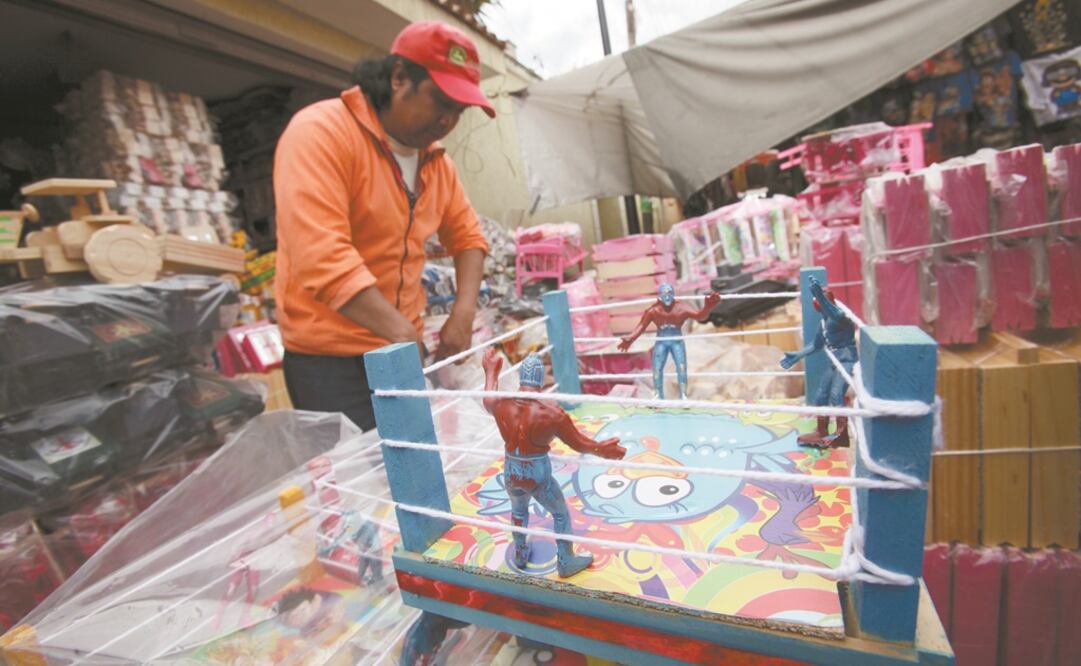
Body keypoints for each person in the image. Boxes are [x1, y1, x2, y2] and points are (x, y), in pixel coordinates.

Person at [274, 21, 494, 431]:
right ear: (398, 78)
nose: (447, 121)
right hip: (329, 360)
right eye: (440, 101)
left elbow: (468, 238)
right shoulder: (321, 133)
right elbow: (322, 256)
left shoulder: (436, 162)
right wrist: (400, 331)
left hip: (401, 347)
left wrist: (463, 313)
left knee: (420, 457)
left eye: (459, 111)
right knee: (358, 468)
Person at [481, 349, 626, 577]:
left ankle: (520, 553)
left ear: (521, 376)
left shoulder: (502, 404)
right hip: (536, 473)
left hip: (511, 469)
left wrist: (491, 372)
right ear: (540, 378)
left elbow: (488, 398)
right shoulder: (551, 413)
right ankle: (566, 560)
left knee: (518, 510)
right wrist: (602, 450)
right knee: (560, 514)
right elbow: (580, 443)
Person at [779, 277, 857, 448]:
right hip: (834, 363)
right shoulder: (823, 324)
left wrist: (818, 294)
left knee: (836, 394)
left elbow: (834, 313)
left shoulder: (840, 317)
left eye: (822, 300)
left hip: (846, 361)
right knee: (821, 394)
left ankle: (841, 434)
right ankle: (821, 430)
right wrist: (797, 356)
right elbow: (815, 345)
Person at [617, 285, 721, 399]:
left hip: (677, 341)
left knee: (681, 367)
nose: (667, 297)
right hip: (661, 342)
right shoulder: (653, 311)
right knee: (657, 368)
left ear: (673, 295)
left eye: (669, 294)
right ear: (660, 296)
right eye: (664, 294)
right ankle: (658, 395)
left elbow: (699, 316)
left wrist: (707, 308)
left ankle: (683, 395)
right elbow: (642, 326)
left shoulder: (681, 308)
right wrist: (631, 337)